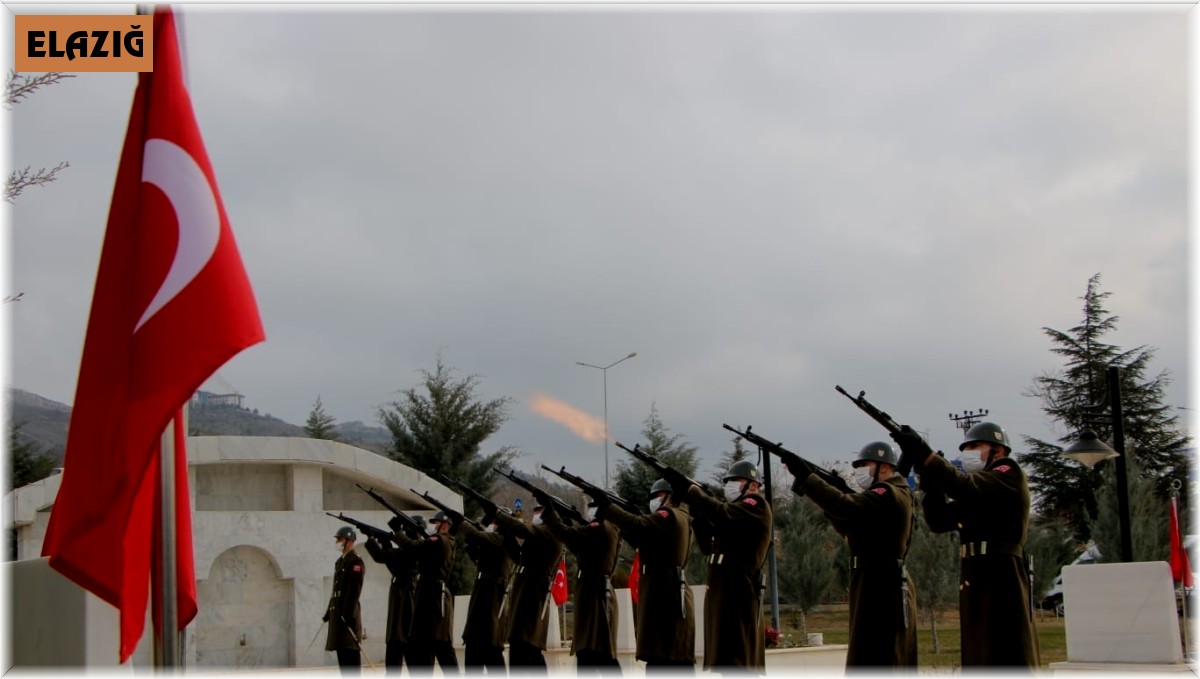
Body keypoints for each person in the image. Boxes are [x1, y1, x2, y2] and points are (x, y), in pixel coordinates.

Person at [891, 421, 1040, 670]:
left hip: (1002, 574)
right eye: (966, 447)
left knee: (1007, 648)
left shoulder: (1007, 473)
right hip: (977, 574)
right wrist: (930, 483)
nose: (968, 452)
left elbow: (962, 486)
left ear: (998, 450)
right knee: (980, 650)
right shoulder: (980, 491)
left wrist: (925, 454)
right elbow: (939, 521)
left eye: (975, 446)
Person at [784, 441, 918, 672]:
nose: (859, 470)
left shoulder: (889, 493)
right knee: (867, 654)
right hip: (871, 580)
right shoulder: (882, 498)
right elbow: (849, 526)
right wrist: (831, 493)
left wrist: (808, 478)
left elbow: (844, 506)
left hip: (882, 582)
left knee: (882, 655)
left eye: (865, 465)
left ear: (885, 467)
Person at [596, 478, 696, 673]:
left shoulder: (669, 515)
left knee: (667, 660)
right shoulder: (677, 518)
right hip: (666, 596)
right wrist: (614, 516)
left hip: (667, 597)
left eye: (658, 496)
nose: (654, 501)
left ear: (670, 497)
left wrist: (608, 507)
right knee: (666, 659)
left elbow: (637, 524)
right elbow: (640, 538)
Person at [682, 461, 772, 675]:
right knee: (725, 660)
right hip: (723, 592)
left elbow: (721, 512)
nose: (729, 485)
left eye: (735, 480)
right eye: (728, 481)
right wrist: (699, 516)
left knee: (739, 659)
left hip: (739, 590)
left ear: (753, 485)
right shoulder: (734, 514)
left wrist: (693, 493)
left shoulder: (755, 504)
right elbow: (708, 547)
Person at [538, 494, 622, 675]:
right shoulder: (610, 529)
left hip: (595, 595)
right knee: (594, 653)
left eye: (594, 506)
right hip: (595, 593)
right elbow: (581, 549)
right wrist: (571, 525)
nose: (591, 509)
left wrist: (551, 511)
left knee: (595, 653)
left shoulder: (600, 528)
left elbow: (565, 534)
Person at [493, 500, 566, 674]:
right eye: (536, 510)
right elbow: (519, 557)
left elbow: (522, 530)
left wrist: (498, 515)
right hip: (523, 593)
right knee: (520, 646)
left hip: (533, 596)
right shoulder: (538, 535)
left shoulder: (551, 532)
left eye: (541, 511)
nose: (536, 514)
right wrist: (506, 534)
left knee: (528, 648)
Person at [388, 511, 460, 675]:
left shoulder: (440, 540)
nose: (433, 526)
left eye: (436, 523)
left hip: (434, 597)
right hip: (427, 595)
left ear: (445, 525)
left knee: (440, 644)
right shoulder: (436, 541)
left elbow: (414, 548)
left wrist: (398, 532)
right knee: (424, 645)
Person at [456, 509, 519, 674]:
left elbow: (477, 536)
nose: (493, 525)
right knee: (474, 643)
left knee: (490, 646)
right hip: (481, 593)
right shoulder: (492, 541)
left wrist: (463, 523)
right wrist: (477, 528)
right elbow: (474, 547)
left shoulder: (501, 539)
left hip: (492, 596)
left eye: (495, 522)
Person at [364, 516, 423, 675]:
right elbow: (394, 565)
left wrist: (371, 538)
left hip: (405, 600)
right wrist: (385, 543)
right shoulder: (408, 551)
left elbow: (381, 556)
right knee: (398, 646)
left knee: (400, 644)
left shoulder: (415, 550)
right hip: (401, 599)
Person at [325, 525, 366, 674]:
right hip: (339, 614)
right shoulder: (340, 561)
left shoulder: (355, 562)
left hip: (348, 616)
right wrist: (329, 611)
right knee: (342, 653)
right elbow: (336, 590)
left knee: (350, 654)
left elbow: (354, 591)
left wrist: (347, 615)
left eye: (340, 539)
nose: (338, 542)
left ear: (350, 541)